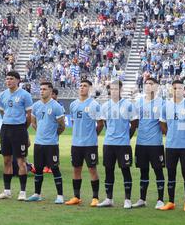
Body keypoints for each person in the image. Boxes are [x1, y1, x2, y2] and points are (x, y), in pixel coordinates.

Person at [97, 80, 138, 208]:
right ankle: (109, 198)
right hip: (108, 144)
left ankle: (127, 199)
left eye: (116, 89)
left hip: (123, 144)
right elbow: (105, 124)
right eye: (112, 89)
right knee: (109, 170)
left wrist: (127, 137)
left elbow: (134, 124)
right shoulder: (104, 106)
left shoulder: (128, 105)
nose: (114, 91)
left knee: (125, 170)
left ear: (121, 90)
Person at [159, 80, 185, 211]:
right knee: (171, 174)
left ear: (184, 90)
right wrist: (169, 134)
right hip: (170, 146)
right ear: (172, 90)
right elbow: (162, 123)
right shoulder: (166, 106)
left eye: (180, 88)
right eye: (175, 88)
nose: (177, 90)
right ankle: (171, 202)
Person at [0, 71, 33, 201]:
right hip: (5, 129)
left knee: (21, 161)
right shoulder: (2, 95)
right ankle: (7, 191)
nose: (8, 81)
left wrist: (23, 129)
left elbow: (29, 116)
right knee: (6, 160)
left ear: (17, 80)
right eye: (7, 79)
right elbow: (2, 110)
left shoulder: (25, 95)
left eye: (11, 79)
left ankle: (22, 192)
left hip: (19, 129)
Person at [65, 79, 103, 207]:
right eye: (80, 85)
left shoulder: (94, 104)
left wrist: (93, 135)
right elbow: (74, 122)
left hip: (90, 144)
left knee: (92, 169)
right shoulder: (73, 104)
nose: (82, 88)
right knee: (76, 169)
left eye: (85, 86)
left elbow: (100, 124)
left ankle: (95, 197)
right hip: (76, 143)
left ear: (90, 89)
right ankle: (76, 197)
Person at [27, 82, 66, 204]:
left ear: (50, 91)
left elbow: (62, 125)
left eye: (44, 89)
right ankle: (37, 194)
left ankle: (60, 196)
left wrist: (54, 135)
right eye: (41, 89)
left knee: (55, 168)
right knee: (38, 169)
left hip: (51, 144)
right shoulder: (36, 105)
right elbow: (33, 122)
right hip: (39, 143)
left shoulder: (56, 106)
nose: (42, 91)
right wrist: (40, 132)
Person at [133, 77, 166, 209]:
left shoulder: (162, 103)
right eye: (146, 83)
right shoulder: (138, 103)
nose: (148, 86)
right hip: (141, 143)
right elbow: (134, 122)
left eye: (151, 83)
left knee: (158, 170)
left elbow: (165, 124)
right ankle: (142, 199)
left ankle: (160, 199)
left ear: (157, 86)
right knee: (143, 171)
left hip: (155, 144)